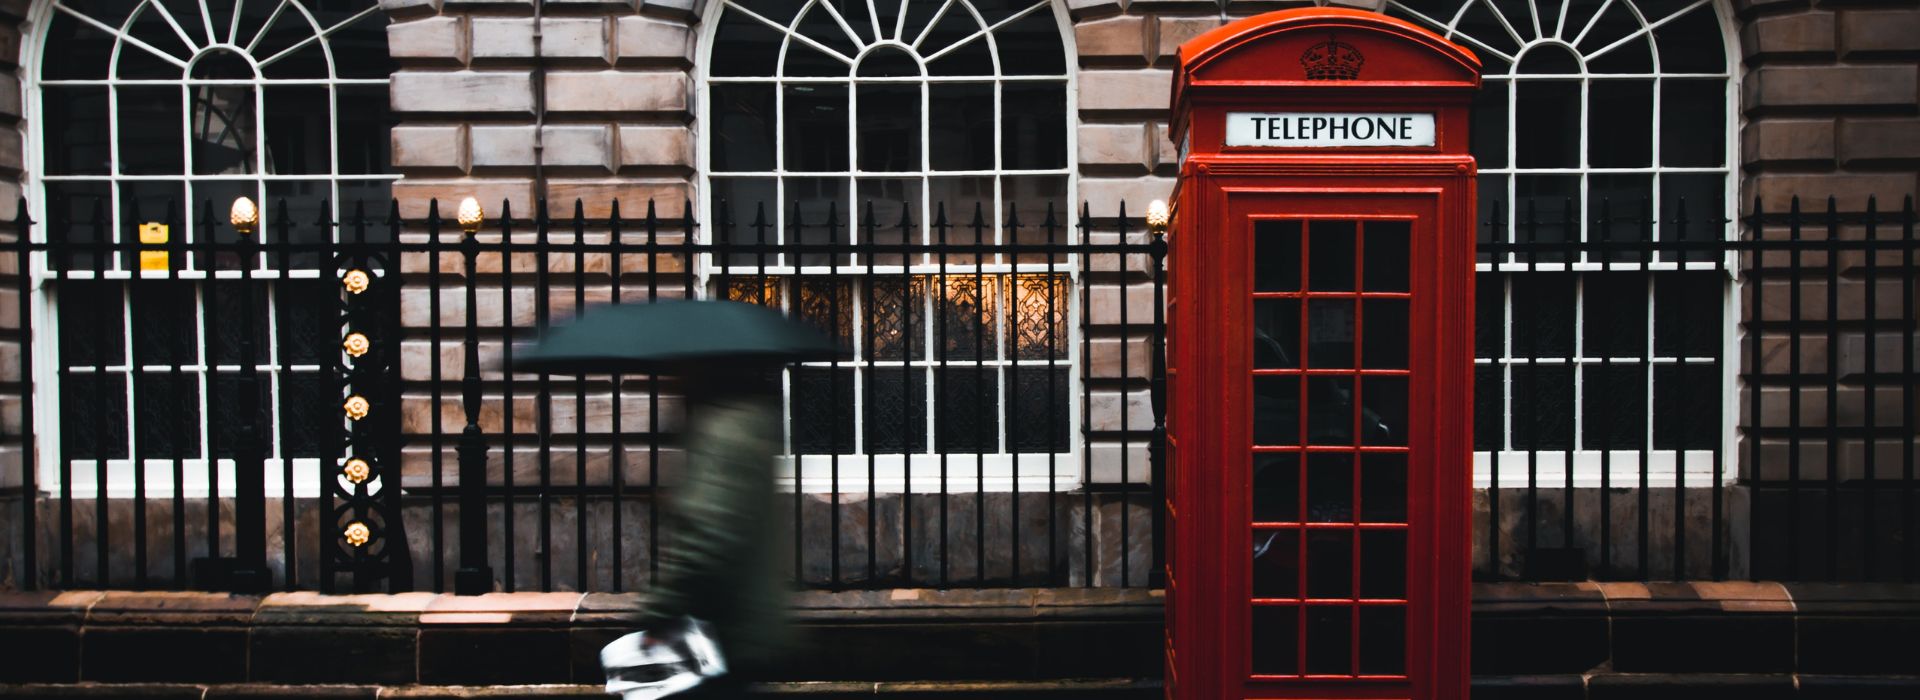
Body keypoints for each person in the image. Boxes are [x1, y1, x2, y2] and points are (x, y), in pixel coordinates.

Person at [614, 365, 793, 699]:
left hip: (722, 634)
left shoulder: (722, 433)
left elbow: (707, 538)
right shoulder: (748, 423)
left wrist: (658, 614)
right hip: (746, 626)